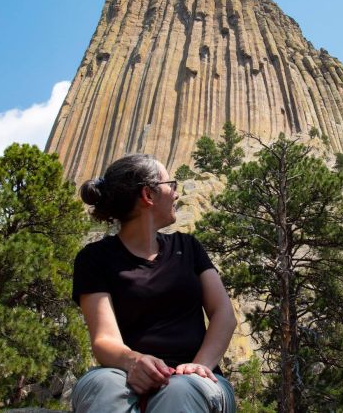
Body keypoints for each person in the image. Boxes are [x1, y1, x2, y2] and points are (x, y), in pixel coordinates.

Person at [70, 154, 237, 413]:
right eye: (172, 185)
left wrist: (199, 366)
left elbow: (223, 314)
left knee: (180, 391)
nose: (177, 194)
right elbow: (104, 338)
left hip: (197, 378)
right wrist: (135, 362)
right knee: (104, 388)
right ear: (149, 195)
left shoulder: (189, 248)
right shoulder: (94, 259)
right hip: (122, 373)